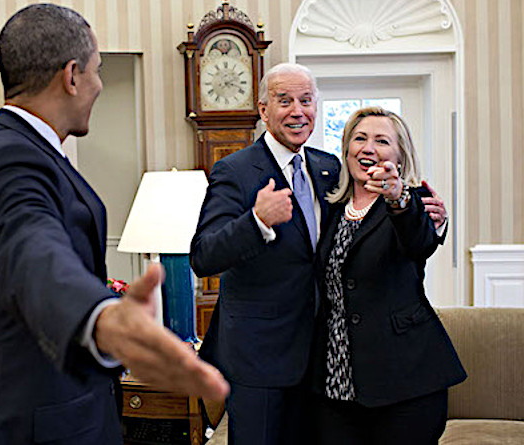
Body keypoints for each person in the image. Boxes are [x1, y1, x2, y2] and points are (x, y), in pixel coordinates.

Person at [0, 4, 228, 444]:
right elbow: (33, 251)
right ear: (71, 76)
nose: (99, 85)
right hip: (33, 428)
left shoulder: (5, 150)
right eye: (97, 71)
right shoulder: (11, 161)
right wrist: (100, 317)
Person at [190, 63, 448, 444]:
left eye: (306, 100)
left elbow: (390, 235)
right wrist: (257, 221)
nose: (298, 110)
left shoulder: (329, 169)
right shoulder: (235, 170)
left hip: (320, 365)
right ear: (263, 110)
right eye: (285, 100)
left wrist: (435, 222)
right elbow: (203, 255)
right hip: (259, 360)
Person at [308, 106, 466, 444]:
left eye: (381, 141)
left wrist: (398, 198)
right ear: (346, 148)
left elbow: (420, 243)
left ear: (399, 155)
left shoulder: (413, 201)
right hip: (335, 383)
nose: (368, 148)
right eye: (359, 138)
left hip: (405, 382)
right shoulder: (332, 207)